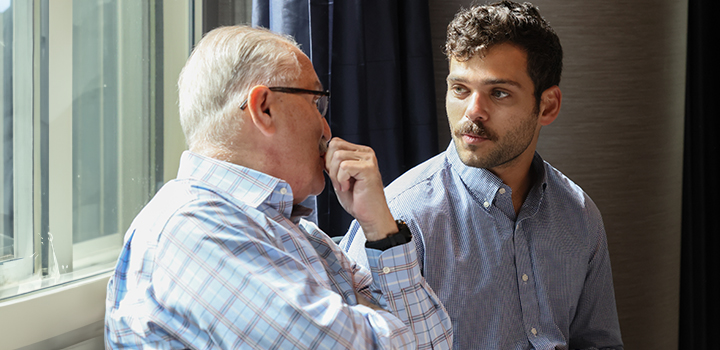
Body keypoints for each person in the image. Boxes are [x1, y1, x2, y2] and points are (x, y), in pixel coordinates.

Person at [105, 25, 453, 349]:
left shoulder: (301, 234)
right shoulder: (194, 229)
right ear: (264, 108)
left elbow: (437, 342)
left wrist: (381, 230)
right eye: (315, 103)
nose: (327, 130)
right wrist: (372, 317)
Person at [340, 1, 624, 349]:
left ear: (547, 106)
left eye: (499, 93)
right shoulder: (400, 219)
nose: (473, 111)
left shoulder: (579, 215)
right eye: (460, 89)